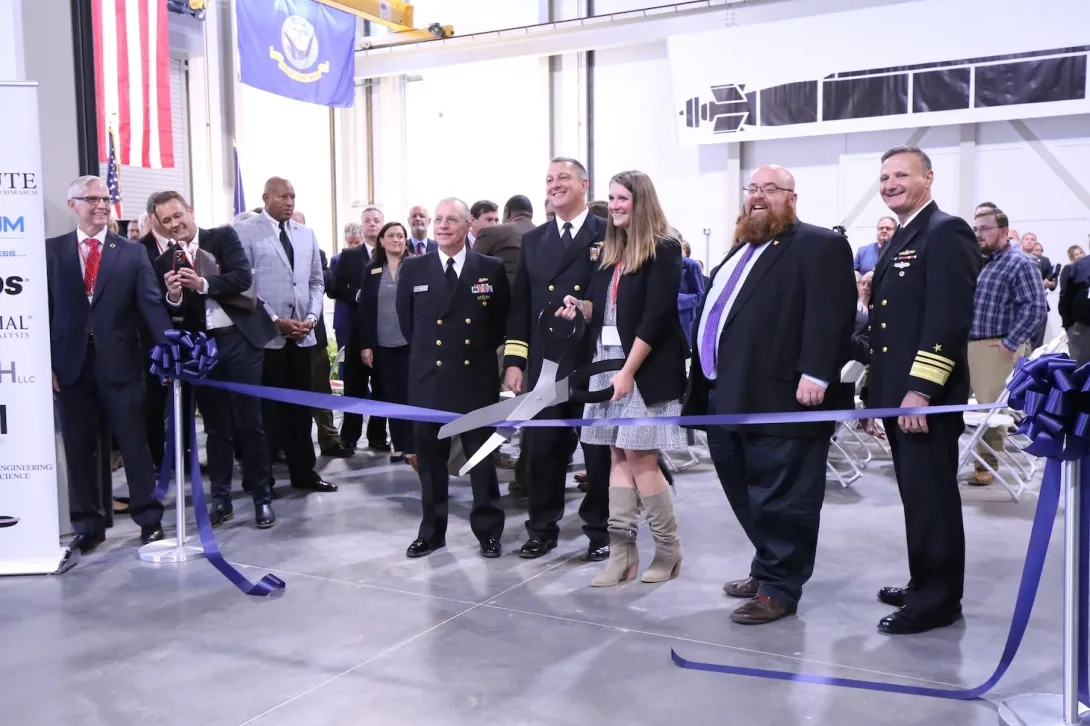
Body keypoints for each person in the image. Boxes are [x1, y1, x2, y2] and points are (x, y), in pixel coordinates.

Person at [682, 164, 857, 624]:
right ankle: (767, 567)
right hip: (727, 396)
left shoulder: (820, 244)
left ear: (792, 197)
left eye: (770, 189)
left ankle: (781, 587)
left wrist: (818, 373)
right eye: (753, 189)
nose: (758, 196)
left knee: (784, 496)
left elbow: (832, 312)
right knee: (746, 492)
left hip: (785, 397)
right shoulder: (740, 251)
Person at [861, 146, 980, 635]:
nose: (889, 184)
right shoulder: (904, 235)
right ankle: (925, 580)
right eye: (884, 176)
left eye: (900, 175)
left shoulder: (945, 231)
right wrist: (877, 399)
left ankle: (937, 601)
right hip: (899, 396)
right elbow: (890, 328)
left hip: (923, 398)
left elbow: (947, 320)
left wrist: (921, 390)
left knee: (932, 498)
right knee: (916, 496)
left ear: (928, 178)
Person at [557, 170, 689, 587]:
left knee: (640, 458)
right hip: (607, 360)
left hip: (643, 367)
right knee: (614, 455)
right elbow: (606, 312)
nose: (613, 205)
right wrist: (580, 306)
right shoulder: (612, 250)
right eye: (611, 198)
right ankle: (622, 555)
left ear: (640, 201)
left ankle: (668, 551)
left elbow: (655, 318)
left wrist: (629, 371)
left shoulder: (664, 248)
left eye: (621, 198)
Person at [46, 175, 173, 552]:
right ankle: (89, 525)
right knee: (80, 448)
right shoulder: (51, 252)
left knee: (134, 446)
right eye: (92, 199)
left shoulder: (132, 253)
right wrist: (46, 365)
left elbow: (151, 305)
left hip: (121, 365)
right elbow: (43, 311)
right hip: (70, 368)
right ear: (73, 205)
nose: (101, 205)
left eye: (105, 199)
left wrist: (170, 350)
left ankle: (149, 519)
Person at [151, 191, 280, 528]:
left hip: (241, 341)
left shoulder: (222, 237)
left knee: (250, 424)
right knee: (216, 429)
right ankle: (221, 499)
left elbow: (242, 277)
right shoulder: (165, 262)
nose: (175, 224)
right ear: (161, 226)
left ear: (189, 211)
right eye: (167, 221)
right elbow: (170, 312)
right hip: (201, 351)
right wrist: (175, 295)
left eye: (178, 215)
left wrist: (203, 283)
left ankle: (262, 498)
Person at [504, 157, 610, 562]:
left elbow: (621, 294)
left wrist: (589, 307)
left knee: (597, 451)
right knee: (544, 448)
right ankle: (542, 528)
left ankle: (600, 530)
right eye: (549, 179)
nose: (554, 184)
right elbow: (521, 307)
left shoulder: (610, 232)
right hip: (548, 362)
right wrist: (515, 361)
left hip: (595, 358)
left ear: (584, 184)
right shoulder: (535, 239)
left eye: (563, 177)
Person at [396, 198, 510, 558]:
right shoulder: (414, 268)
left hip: (474, 378)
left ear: (467, 227)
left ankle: (489, 532)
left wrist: (475, 356)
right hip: (428, 379)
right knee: (430, 462)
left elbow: (499, 324)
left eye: (452, 220)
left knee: (481, 460)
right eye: (438, 220)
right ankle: (431, 532)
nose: (443, 226)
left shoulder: (489, 268)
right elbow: (406, 321)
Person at [234, 177, 337, 499]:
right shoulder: (245, 232)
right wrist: (276, 321)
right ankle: (261, 481)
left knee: (299, 411)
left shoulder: (306, 235)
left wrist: (310, 318)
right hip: (266, 340)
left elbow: (316, 282)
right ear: (266, 197)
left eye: (292, 196)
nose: (289, 201)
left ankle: (304, 473)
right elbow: (243, 285)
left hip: (302, 337)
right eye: (282, 196)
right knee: (266, 415)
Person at [966, 207, 1046, 486]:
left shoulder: (1020, 263)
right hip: (967, 344)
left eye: (984, 229)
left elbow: (1035, 308)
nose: (978, 235)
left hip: (994, 347)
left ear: (1002, 231)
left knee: (991, 411)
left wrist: (1010, 343)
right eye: (975, 229)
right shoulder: (981, 262)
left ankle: (985, 466)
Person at [334, 207, 389, 454]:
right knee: (353, 387)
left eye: (377, 220)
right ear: (362, 224)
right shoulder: (349, 255)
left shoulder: (391, 253)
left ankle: (378, 436)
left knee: (381, 387)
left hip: (384, 332)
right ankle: (349, 436)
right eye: (368, 220)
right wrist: (357, 294)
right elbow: (334, 288)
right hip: (356, 333)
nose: (372, 224)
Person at [356, 222, 413, 461]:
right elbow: (366, 310)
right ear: (381, 241)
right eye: (391, 235)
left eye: (400, 236)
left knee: (411, 394)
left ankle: (414, 444)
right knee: (392, 394)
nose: (396, 240)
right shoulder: (371, 271)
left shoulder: (417, 266)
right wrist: (366, 344)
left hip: (411, 342)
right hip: (383, 342)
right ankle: (399, 444)